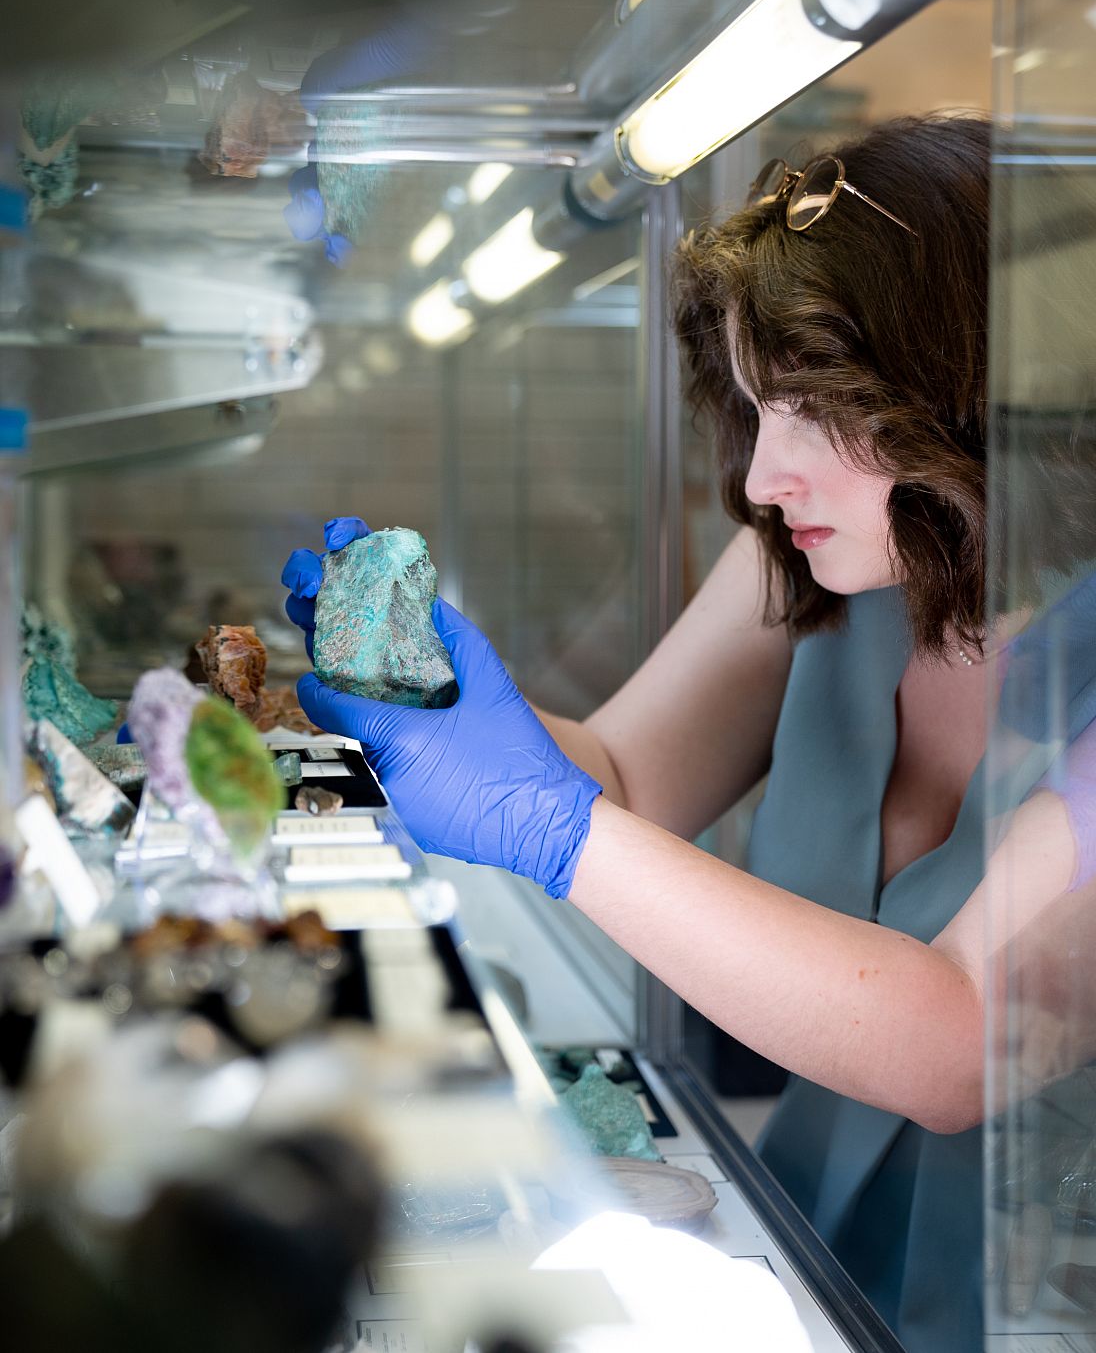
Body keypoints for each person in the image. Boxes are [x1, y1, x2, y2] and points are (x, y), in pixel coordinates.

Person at [281, 113, 1096, 1352]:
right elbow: (628, 779)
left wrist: (555, 829)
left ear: (968, 388)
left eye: (813, 409)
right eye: (757, 410)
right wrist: (424, 698)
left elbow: (955, 1043)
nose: (764, 480)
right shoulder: (832, 561)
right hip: (816, 1270)